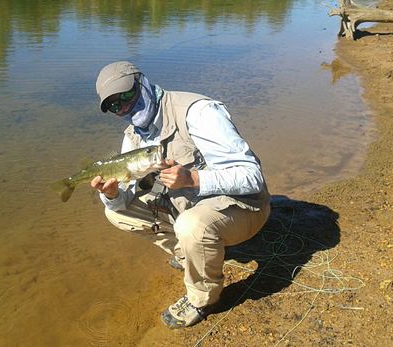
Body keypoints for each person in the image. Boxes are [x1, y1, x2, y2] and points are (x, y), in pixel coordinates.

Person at [91, 61, 271, 329]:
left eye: (127, 96)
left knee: (192, 225)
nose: (125, 107)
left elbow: (252, 177)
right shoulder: (133, 138)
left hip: (245, 209)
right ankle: (192, 251)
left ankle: (204, 298)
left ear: (142, 82)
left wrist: (194, 178)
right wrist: (113, 194)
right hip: (191, 209)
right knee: (116, 211)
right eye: (116, 106)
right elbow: (123, 200)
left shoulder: (197, 113)